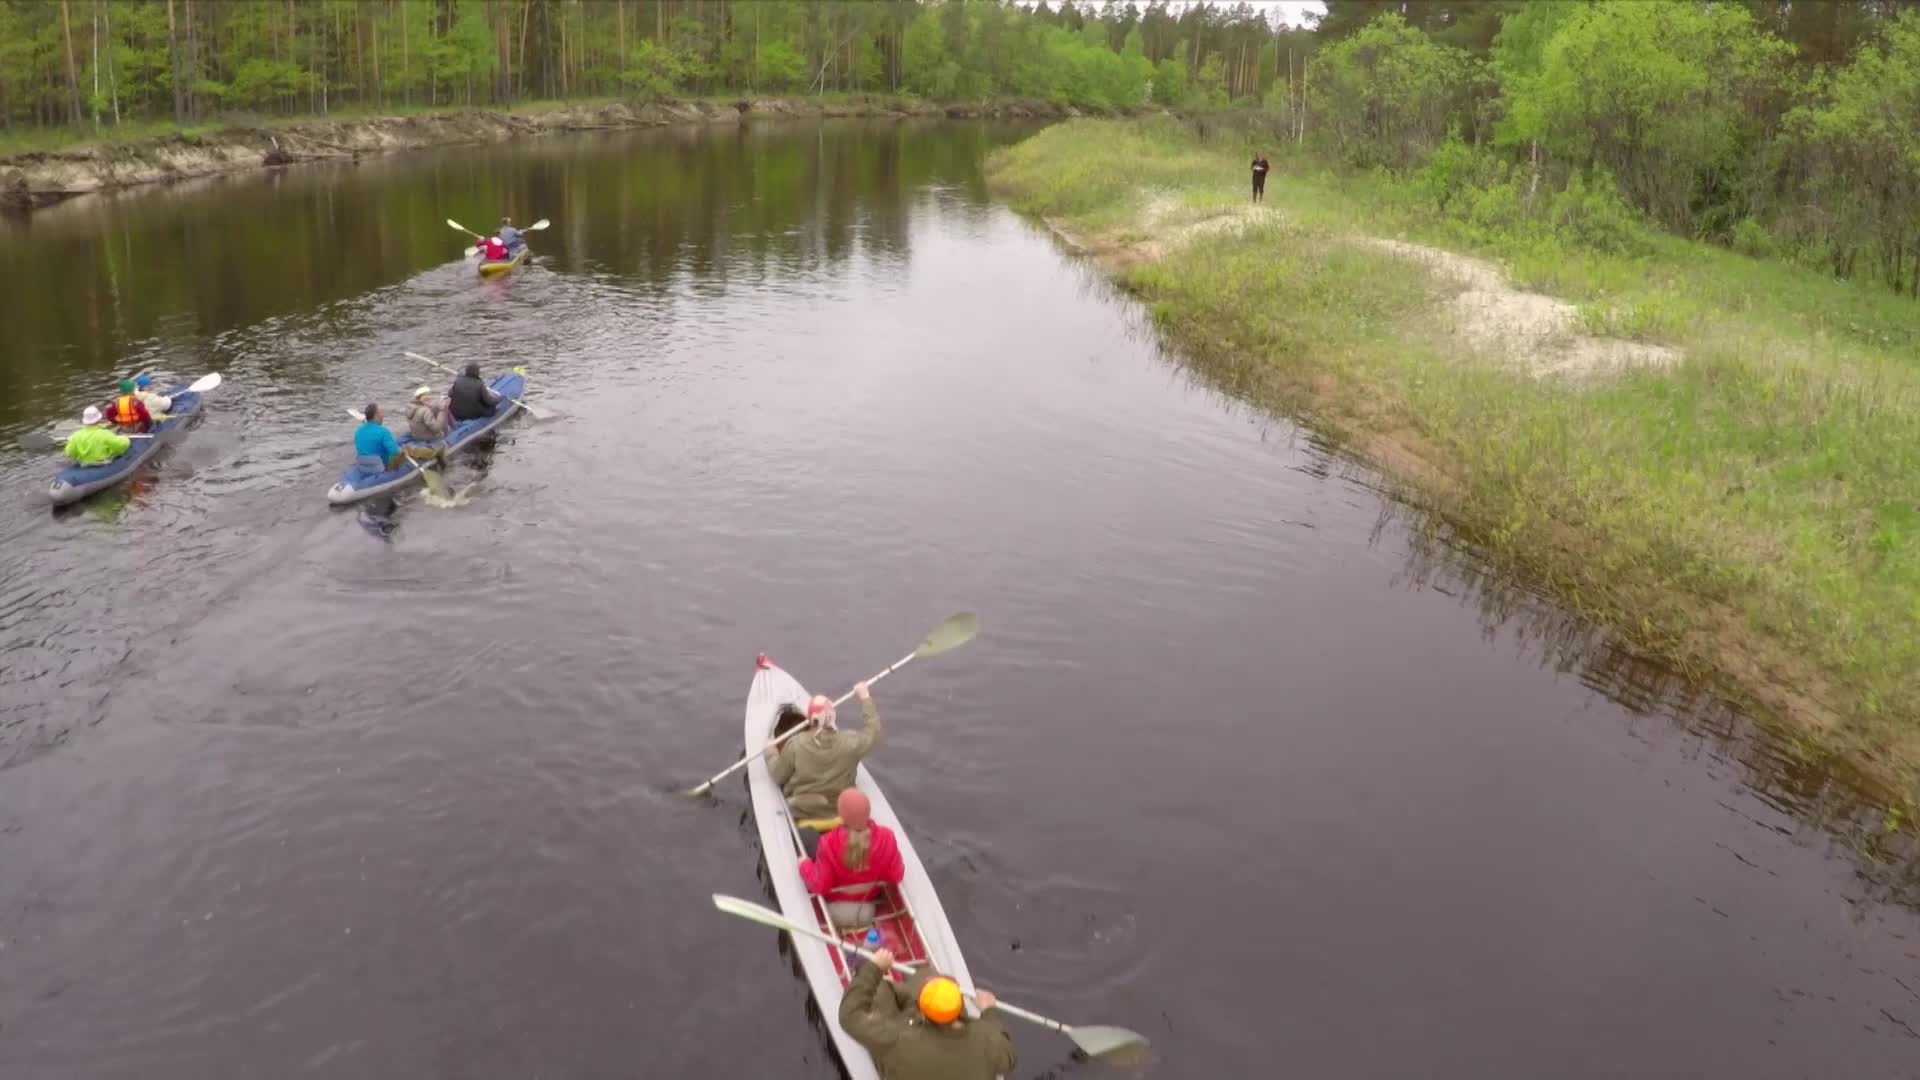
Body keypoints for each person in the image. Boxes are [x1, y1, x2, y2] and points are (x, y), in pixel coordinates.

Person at [838, 948, 1015, 1080]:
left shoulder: (897, 1041)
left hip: (906, 1048)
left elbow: (850, 1015)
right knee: (934, 978)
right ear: (959, 1005)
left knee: (879, 990)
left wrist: (874, 968)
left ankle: (889, 986)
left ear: (923, 1012)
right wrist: (990, 1012)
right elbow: (1009, 1059)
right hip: (923, 1036)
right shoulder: (987, 1040)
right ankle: (897, 989)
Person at [768, 681, 882, 829]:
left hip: (804, 814)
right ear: (832, 717)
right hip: (838, 812)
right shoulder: (851, 742)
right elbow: (874, 732)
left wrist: (770, 751)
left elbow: (778, 776)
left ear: (810, 719)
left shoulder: (795, 744)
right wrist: (865, 698)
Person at [798, 788, 904, 928]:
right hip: (868, 899)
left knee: (807, 835)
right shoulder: (887, 837)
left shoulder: (828, 843)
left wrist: (804, 865)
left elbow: (819, 886)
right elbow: (896, 876)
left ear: (841, 816)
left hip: (836, 903)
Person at [352, 403, 438, 473]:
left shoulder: (358, 431)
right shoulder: (383, 431)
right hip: (382, 465)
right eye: (381, 413)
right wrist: (403, 450)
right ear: (376, 415)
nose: (383, 415)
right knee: (409, 449)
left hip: (364, 464)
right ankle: (434, 453)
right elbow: (395, 452)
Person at [63, 406, 131, 466]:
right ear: (99, 419)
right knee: (116, 450)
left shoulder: (76, 435)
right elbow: (121, 445)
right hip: (102, 463)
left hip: (84, 463)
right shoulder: (104, 434)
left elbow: (69, 453)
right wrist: (125, 438)